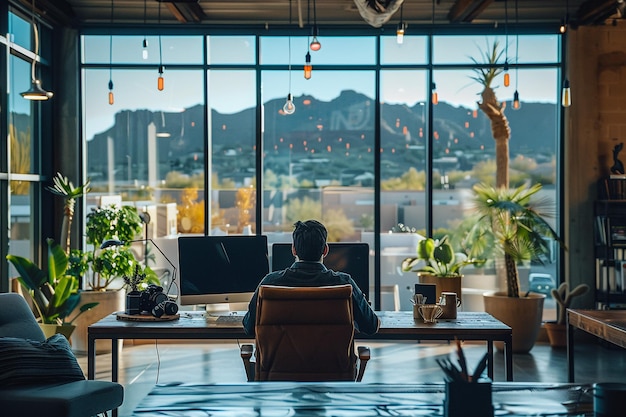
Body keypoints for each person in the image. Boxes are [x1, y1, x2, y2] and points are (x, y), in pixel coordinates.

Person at [243, 219, 380, 336]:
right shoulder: (344, 284)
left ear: (293, 250)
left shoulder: (269, 283)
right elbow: (371, 326)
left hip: (279, 366)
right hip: (331, 366)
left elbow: (249, 327)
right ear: (325, 250)